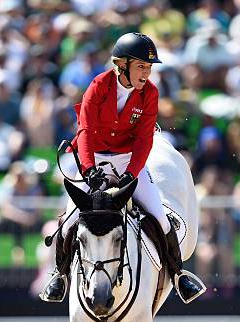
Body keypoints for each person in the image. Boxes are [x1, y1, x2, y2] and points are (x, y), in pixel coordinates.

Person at [40, 32, 205, 305]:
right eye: (141, 66)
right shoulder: (98, 86)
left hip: (129, 160)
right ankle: (59, 276)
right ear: (122, 65)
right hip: (94, 158)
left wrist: (131, 172)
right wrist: (90, 169)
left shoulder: (150, 93)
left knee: (161, 218)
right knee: (69, 220)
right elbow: (85, 131)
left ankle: (179, 275)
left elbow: (144, 139)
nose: (147, 73)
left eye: (149, 67)